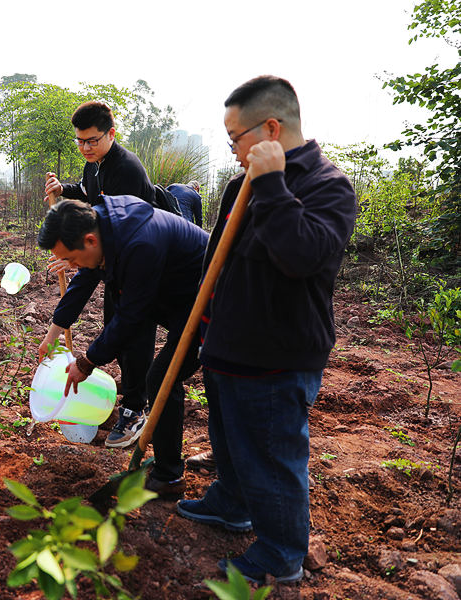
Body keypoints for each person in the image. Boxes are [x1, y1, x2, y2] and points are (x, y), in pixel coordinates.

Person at [175, 76, 356, 583]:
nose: (231, 149)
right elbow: (218, 263)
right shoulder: (239, 184)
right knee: (230, 440)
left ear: (271, 128)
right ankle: (231, 503)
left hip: (276, 355)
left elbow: (301, 256)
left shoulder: (326, 185)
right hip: (228, 343)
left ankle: (281, 554)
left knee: (273, 458)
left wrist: (274, 184)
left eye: (235, 137)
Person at [36, 196, 208, 496]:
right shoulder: (104, 227)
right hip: (179, 302)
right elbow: (83, 280)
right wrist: (54, 331)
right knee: (175, 378)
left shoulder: (140, 244)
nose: (73, 266)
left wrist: (87, 362)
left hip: (211, 303)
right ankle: (192, 462)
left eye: (73, 259)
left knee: (163, 378)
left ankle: (168, 478)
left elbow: (130, 316)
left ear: (89, 240)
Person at [42, 101, 157, 449]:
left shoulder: (127, 170)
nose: (85, 147)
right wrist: (66, 191)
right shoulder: (94, 166)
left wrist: (78, 262)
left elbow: (116, 232)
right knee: (115, 329)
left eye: (92, 140)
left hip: (145, 260)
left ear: (111, 134)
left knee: (133, 330)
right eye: (80, 141)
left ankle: (137, 406)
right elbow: (90, 192)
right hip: (112, 258)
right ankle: (134, 388)